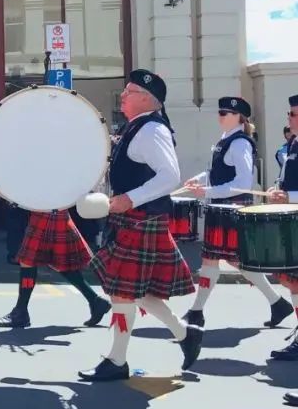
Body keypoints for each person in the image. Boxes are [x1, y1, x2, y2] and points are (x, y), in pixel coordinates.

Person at [79, 70, 203, 382]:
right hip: (131, 220)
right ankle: (185, 333)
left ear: (148, 99)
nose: (123, 95)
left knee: (123, 293)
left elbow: (170, 176)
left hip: (141, 219)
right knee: (139, 292)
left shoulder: (152, 130)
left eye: (130, 91)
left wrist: (131, 199)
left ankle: (117, 360)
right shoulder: (136, 127)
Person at [182, 97, 292, 329]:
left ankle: (196, 312)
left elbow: (243, 181)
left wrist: (208, 191)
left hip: (231, 209)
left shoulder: (240, 143)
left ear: (238, 117)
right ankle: (277, 303)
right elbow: (218, 171)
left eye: (224, 113)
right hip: (221, 208)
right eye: (220, 112)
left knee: (214, 259)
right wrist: (200, 180)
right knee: (235, 262)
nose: (219, 116)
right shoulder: (226, 139)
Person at [0, 207, 111, 329]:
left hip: (47, 211)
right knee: (60, 261)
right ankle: (95, 301)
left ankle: (20, 312)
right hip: (54, 211)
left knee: (28, 260)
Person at [267, 95, 298, 392]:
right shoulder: (292, 144)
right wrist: (277, 190)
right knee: (295, 285)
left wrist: (291, 197)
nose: (289, 118)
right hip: (293, 221)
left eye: (294, 114)